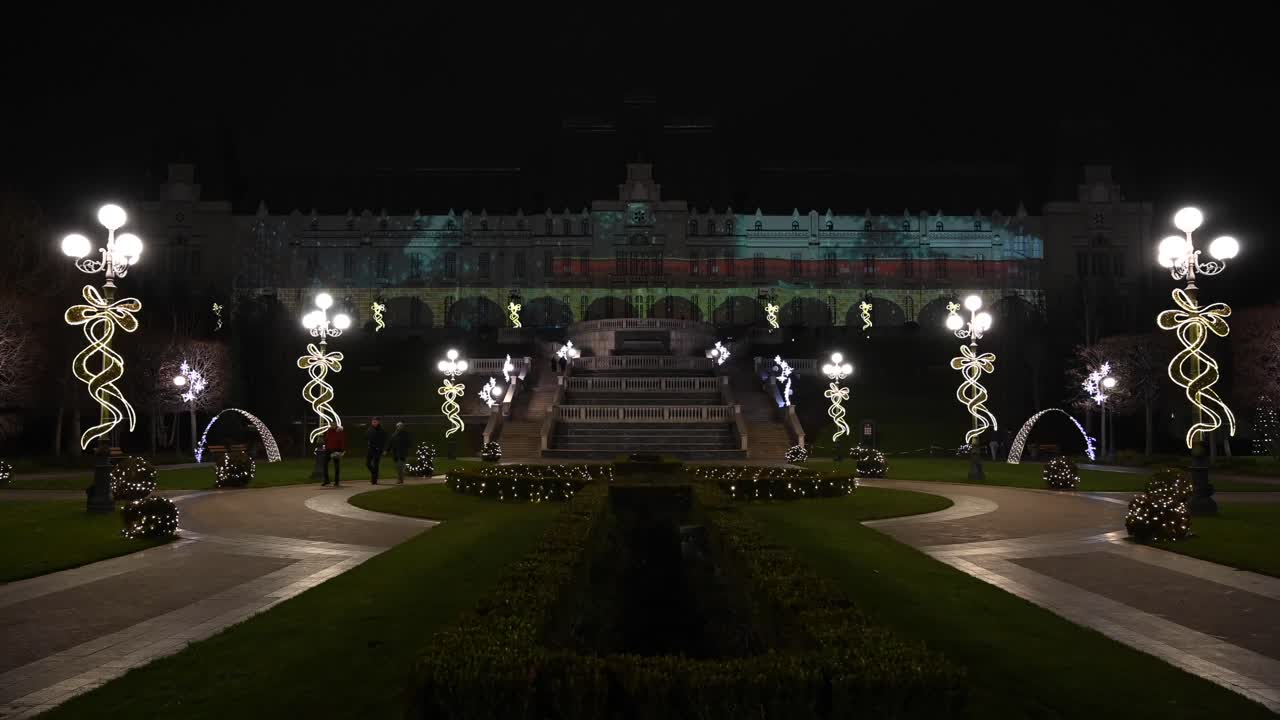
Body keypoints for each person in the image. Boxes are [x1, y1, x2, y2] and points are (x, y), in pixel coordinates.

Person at [366, 417, 388, 484]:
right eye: (373, 421)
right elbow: (366, 436)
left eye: (375, 421)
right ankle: (375, 473)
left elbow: (384, 440)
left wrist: (384, 449)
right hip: (370, 449)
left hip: (377, 450)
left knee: (376, 464)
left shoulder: (381, 430)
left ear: (378, 422)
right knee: (367, 463)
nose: (373, 423)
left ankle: (374, 480)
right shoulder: (370, 429)